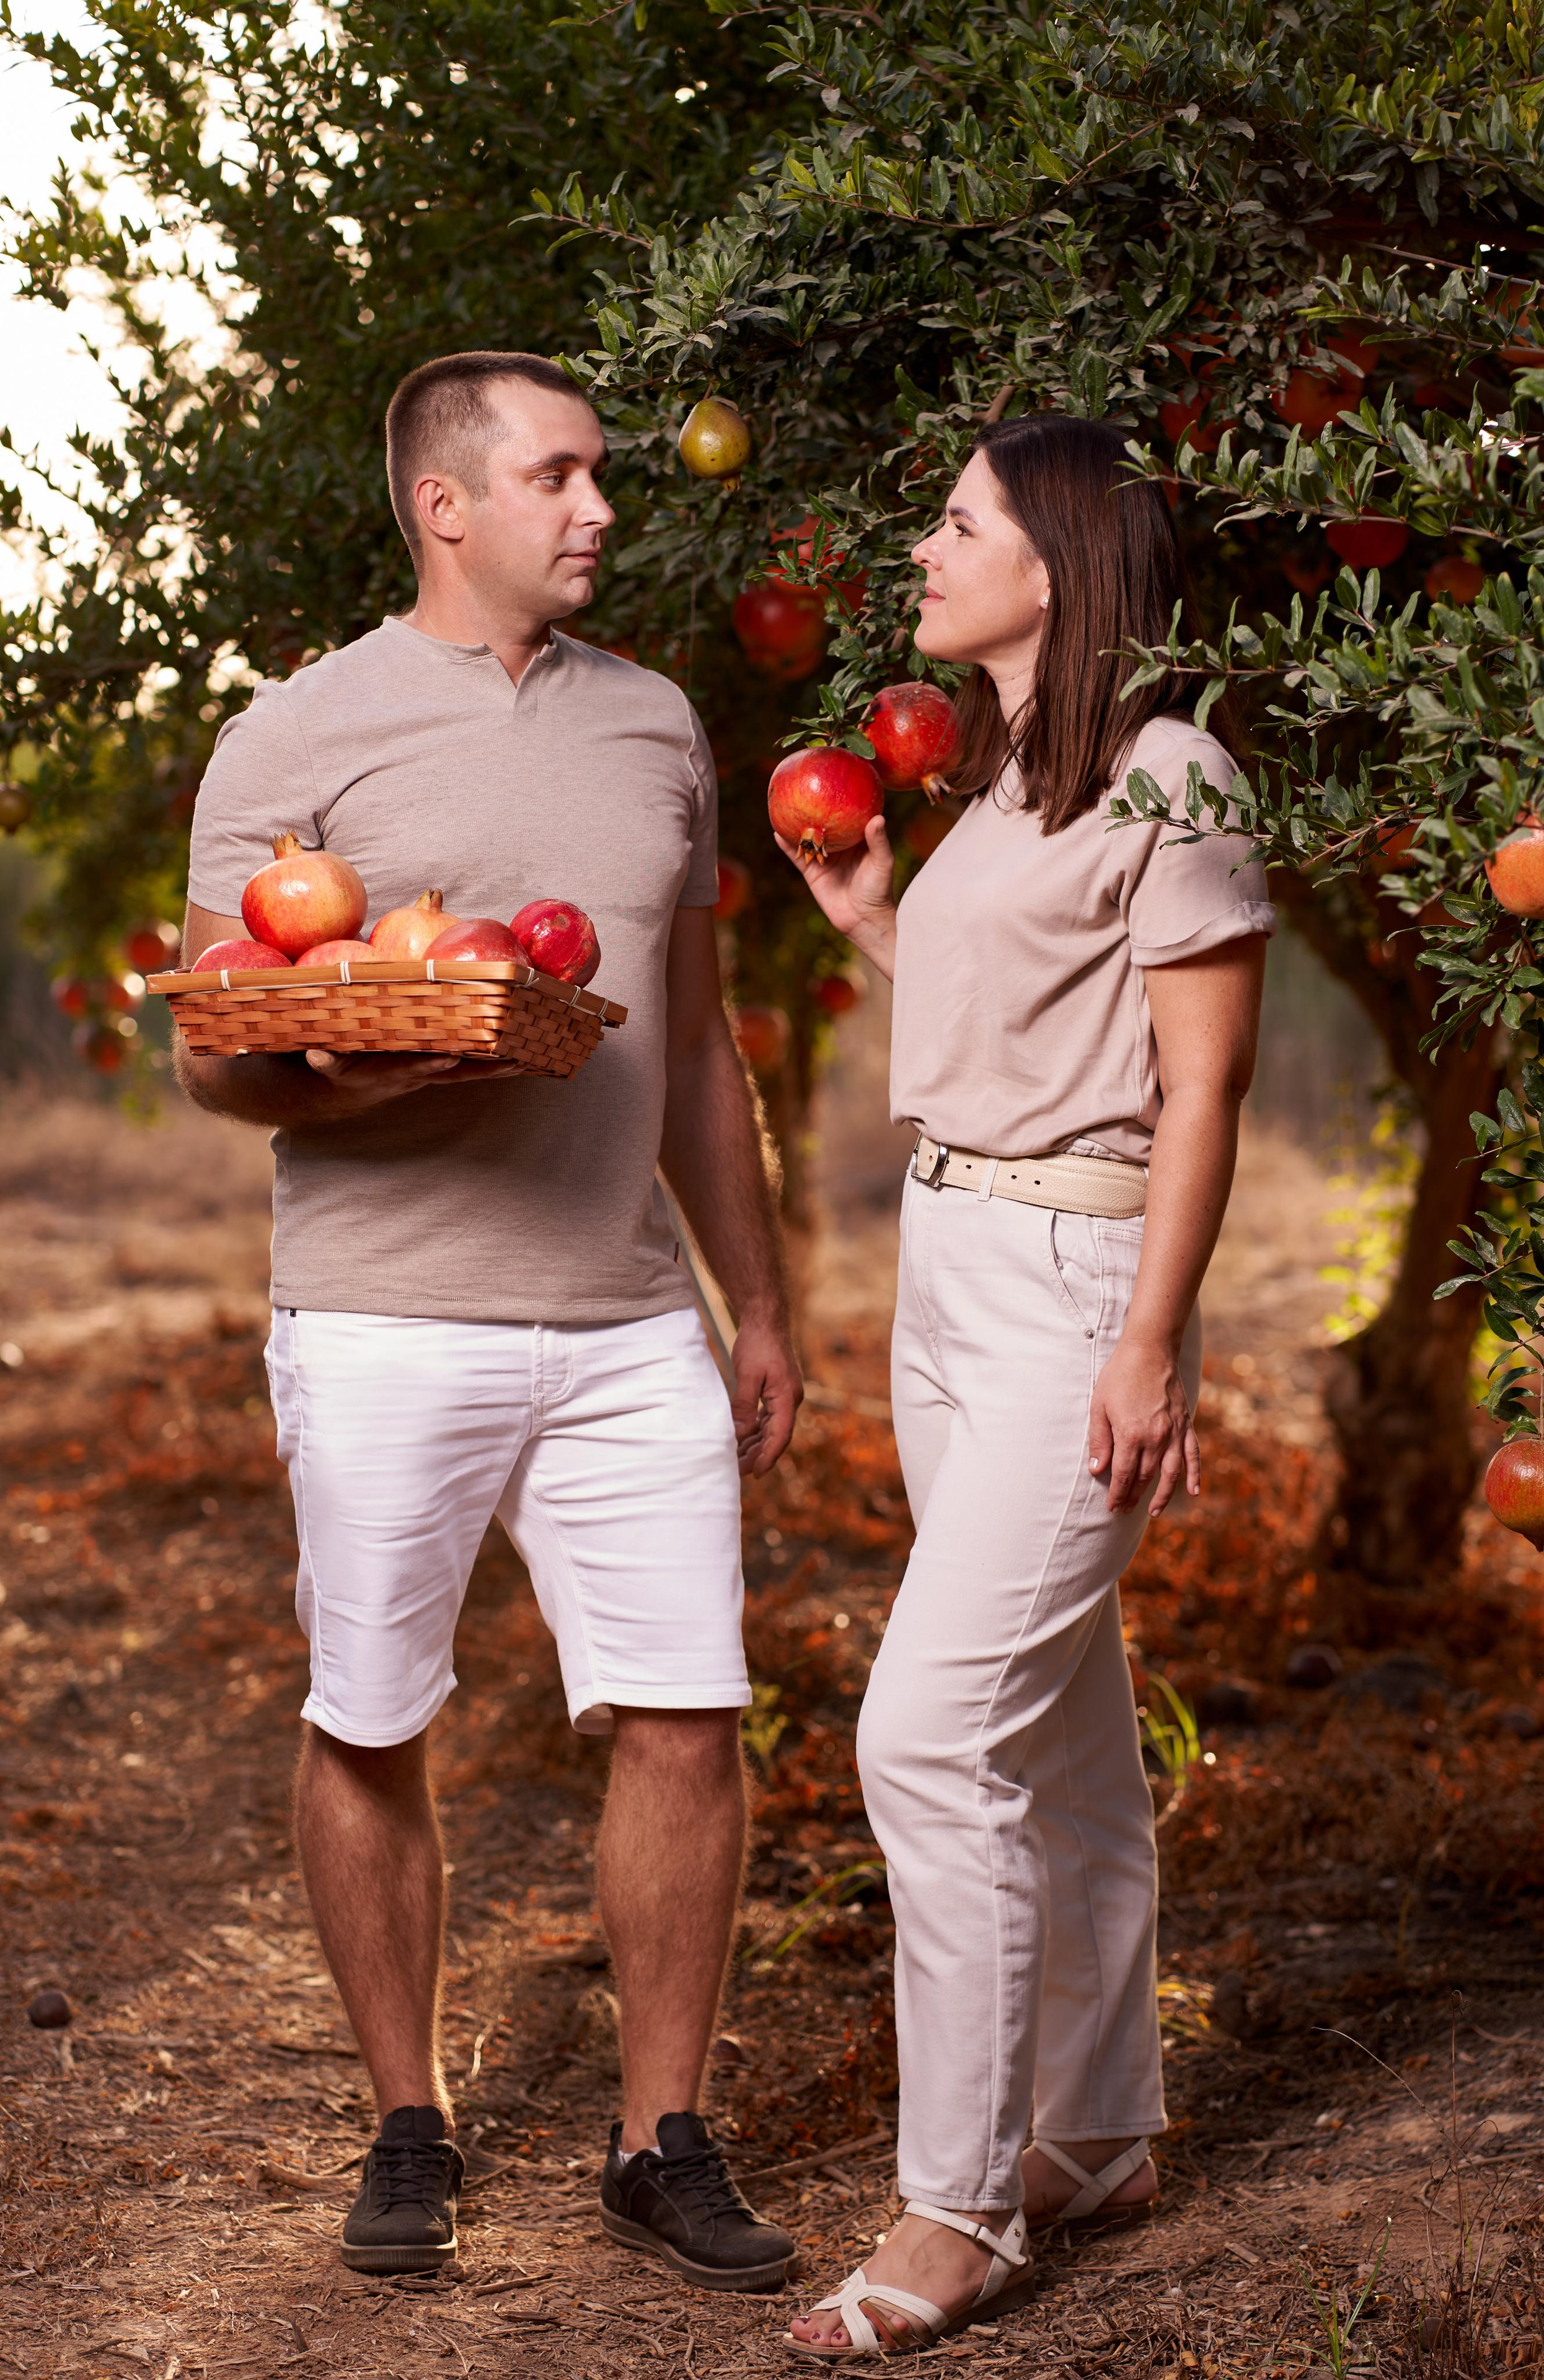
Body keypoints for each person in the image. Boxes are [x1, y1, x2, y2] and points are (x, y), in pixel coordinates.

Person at [175, 350, 801, 2293]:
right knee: (373, 1720)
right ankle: (407, 2121)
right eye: (560, 476)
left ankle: (660, 2135)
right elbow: (225, 1051)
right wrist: (355, 1091)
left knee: (690, 1713)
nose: (601, 505)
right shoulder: (297, 735)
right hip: (382, 1315)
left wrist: (754, 1300)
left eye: (604, 472)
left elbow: (695, 1044)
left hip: (627, 1320)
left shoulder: (663, 725)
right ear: (447, 505)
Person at [777, 415, 1273, 2357]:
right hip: (950, 1269)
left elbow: (1204, 1088)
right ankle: (1097, 2129)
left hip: (1080, 1284)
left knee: (925, 1735)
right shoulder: (1000, 782)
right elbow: (1005, 1035)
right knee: (1055, 1728)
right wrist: (876, 923)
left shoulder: (1176, 777)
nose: (927, 544)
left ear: (1055, 564)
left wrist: (1152, 1342)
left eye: (959, 520)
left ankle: (958, 2206)